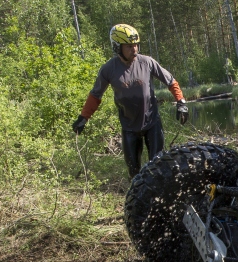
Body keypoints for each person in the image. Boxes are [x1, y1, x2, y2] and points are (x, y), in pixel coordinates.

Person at [72, 24, 189, 177]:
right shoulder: (109, 69)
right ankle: (139, 199)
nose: (134, 49)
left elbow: (171, 81)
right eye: (129, 46)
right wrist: (83, 118)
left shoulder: (147, 62)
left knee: (158, 167)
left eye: (136, 45)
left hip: (152, 123)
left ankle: (158, 199)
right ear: (117, 47)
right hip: (129, 127)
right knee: (134, 172)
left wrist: (181, 103)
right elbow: (96, 95)